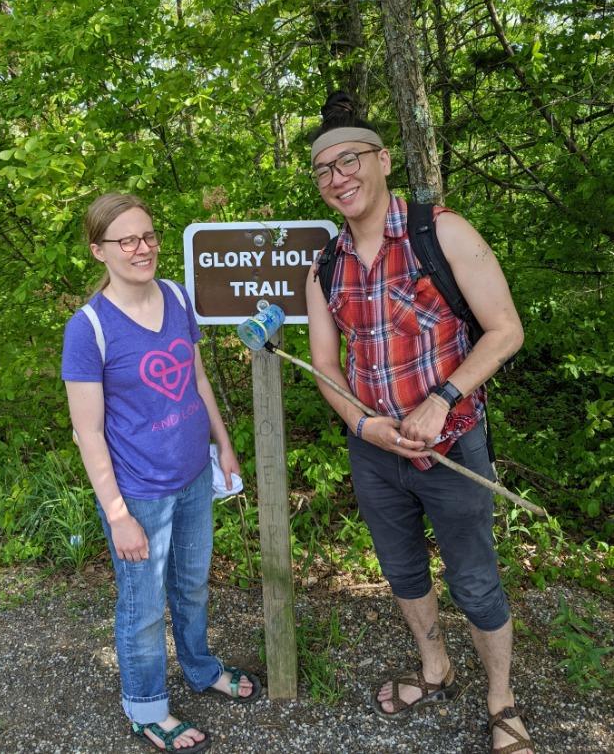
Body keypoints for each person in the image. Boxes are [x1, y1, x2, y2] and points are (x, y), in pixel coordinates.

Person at [305, 93, 533, 754]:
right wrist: (363, 426)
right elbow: (325, 365)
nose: (338, 177)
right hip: (376, 457)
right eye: (323, 169)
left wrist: (441, 398)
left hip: (453, 447)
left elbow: (506, 329)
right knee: (402, 569)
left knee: (475, 579)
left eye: (349, 160)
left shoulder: (443, 233)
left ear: (381, 160)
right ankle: (435, 669)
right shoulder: (325, 266)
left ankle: (501, 700)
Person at [62, 193, 262, 752]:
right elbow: (88, 433)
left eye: (148, 236)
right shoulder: (89, 328)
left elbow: (197, 381)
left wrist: (223, 444)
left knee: (192, 585)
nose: (142, 248)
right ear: (99, 250)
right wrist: (117, 515)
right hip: (138, 495)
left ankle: (200, 668)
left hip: (194, 476)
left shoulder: (176, 296)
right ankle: (147, 707)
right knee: (144, 606)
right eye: (126, 240)